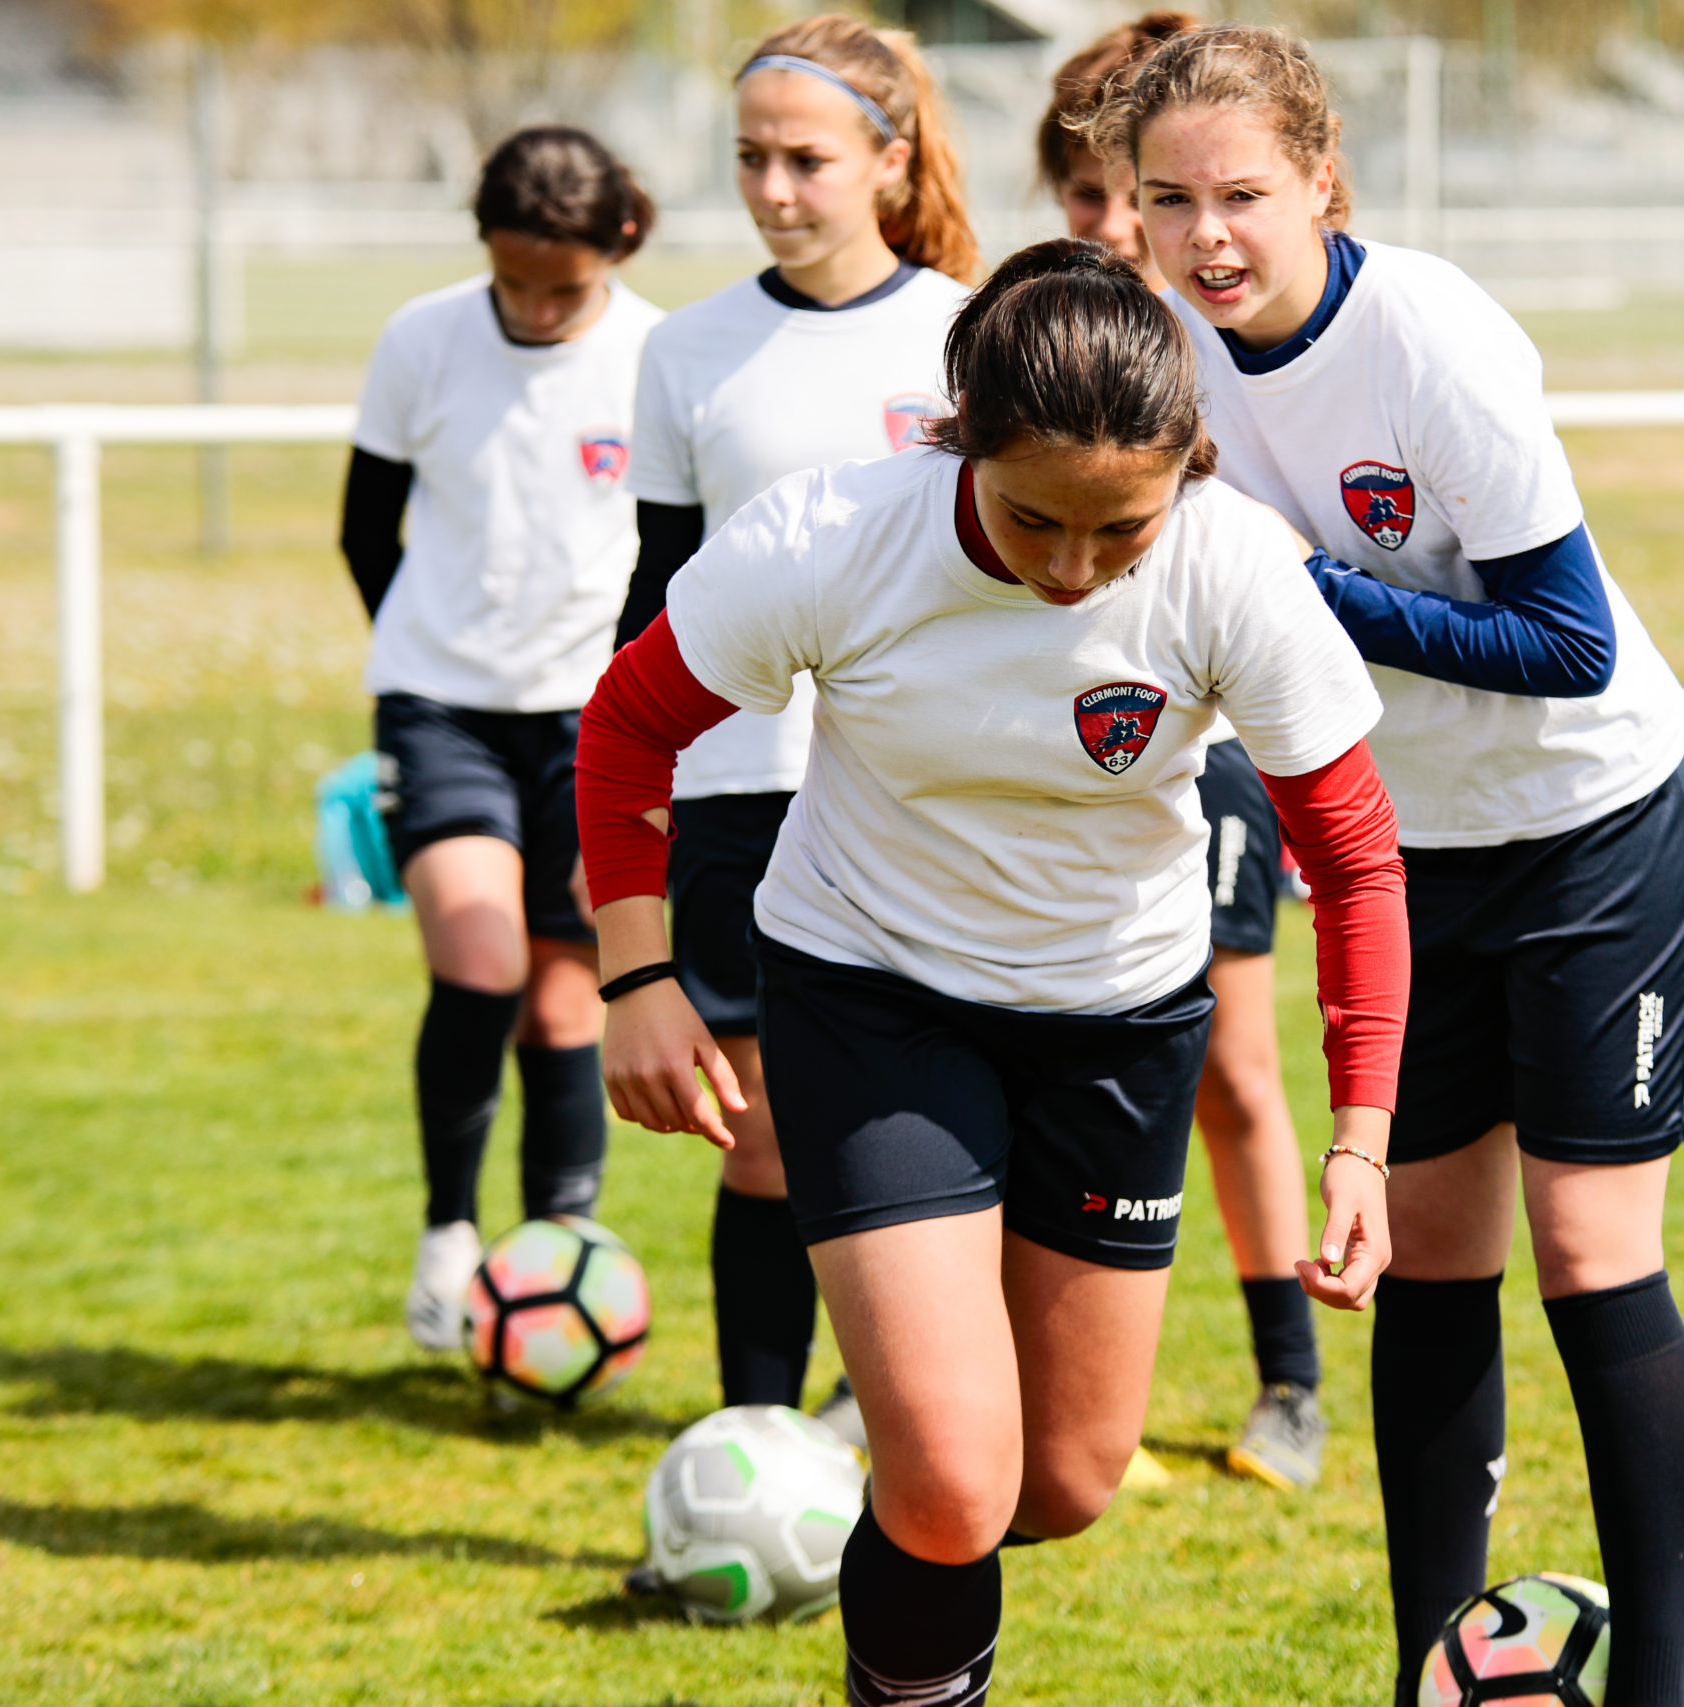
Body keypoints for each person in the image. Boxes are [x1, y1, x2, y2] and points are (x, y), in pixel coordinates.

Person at [576, 240, 1409, 1707]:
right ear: (960, 431)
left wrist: (1360, 1137)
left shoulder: (1235, 571)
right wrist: (636, 973)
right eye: (1034, 518)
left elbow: (1354, 860)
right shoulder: (828, 537)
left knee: (1065, 1480)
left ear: (1184, 471)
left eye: (1121, 527)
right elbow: (628, 727)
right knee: (955, 1480)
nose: (1074, 567)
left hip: (1120, 1020)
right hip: (874, 992)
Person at [1092, 29, 1684, 1707]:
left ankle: (1652, 1689)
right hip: (1409, 853)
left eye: (1241, 192)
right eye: (1168, 199)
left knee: (1591, 1250)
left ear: (1318, 177)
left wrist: (1308, 589)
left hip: (1597, 823)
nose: (1207, 232)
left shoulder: (1425, 335)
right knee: (1431, 1258)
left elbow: (1570, 643)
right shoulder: (1162, 357)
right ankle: (1428, 1671)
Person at [612, 13, 977, 1435]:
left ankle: (911, 1424)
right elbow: (651, 609)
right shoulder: (685, 352)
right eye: (753, 157)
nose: (774, 187)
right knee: (762, 1140)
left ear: (890, 161)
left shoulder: (969, 327)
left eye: (808, 159)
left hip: (930, 792)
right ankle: (758, 1443)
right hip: (741, 789)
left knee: (919, 1127)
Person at [1037, 6, 1329, 1490]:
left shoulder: (1225, 334)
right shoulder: (1033, 338)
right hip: (1038, 752)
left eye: (1130, 196)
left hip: (1194, 744)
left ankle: (1291, 1380)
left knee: (1228, 1064)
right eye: (1090, 195)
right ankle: (1043, 1383)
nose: (1116, 226)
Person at [337, 126, 666, 1349]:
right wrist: (430, 658)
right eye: (511, 280)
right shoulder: (421, 337)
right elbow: (367, 529)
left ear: (617, 243)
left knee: (566, 1008)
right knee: (480, 964)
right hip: (442, 708)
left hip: (597, 722)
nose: (532, 309)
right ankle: (446, 1234)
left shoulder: (655, 356)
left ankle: (555, 1261)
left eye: (561, 287)